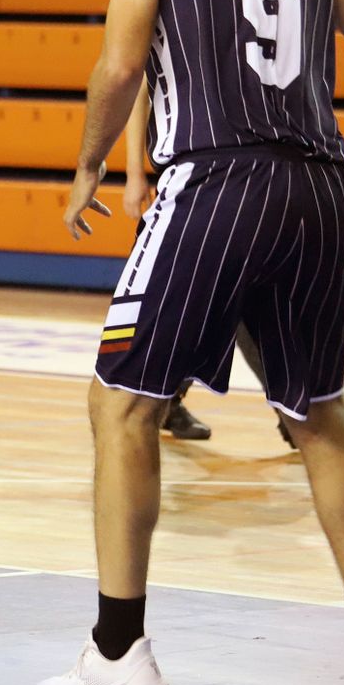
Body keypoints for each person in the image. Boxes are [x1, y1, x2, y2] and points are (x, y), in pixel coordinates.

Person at [37, 0, 344, 685]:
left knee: (121, 405)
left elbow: (123, 61)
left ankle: (118, 649)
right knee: (319, 410)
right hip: (321, 190)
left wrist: (88, 165)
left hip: (219, 177)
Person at [122, 83, 298, 449]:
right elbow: (135, 86)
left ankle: (291, 408)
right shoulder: (164, 33)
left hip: (250, 172)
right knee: (204, 302)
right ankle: (293, 409)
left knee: (237, 296)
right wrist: (133, 173)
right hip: (192, 180)